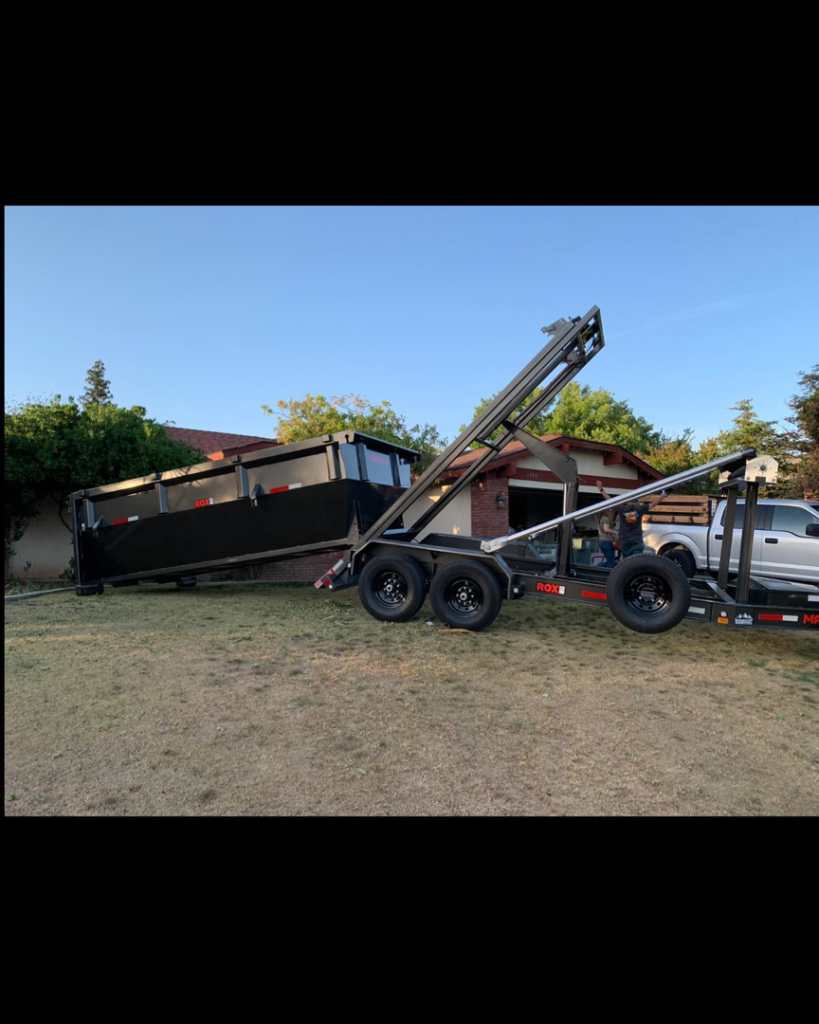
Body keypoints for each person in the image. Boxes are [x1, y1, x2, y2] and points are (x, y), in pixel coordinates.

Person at [595, 479, 668, 559]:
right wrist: (662, 496)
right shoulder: (639, 509)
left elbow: (610, 500)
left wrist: (601, 489)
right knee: (636, 563)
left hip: (625, 540)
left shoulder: (622, 508)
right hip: (637, 539)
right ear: (636, 501)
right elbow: (653, 504)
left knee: (627, 563)